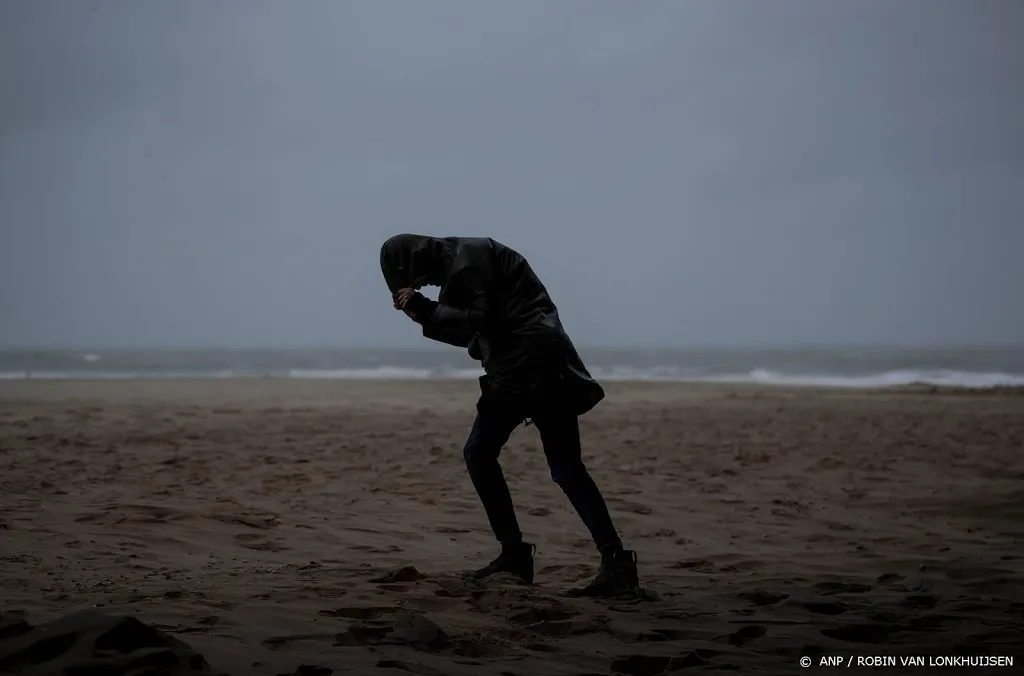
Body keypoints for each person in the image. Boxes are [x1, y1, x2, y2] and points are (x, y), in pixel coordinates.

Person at [380, 234, 639, 597]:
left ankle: (516, 554)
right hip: (539, 362)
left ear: (415, 259)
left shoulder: (469, 257)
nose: (428, 285)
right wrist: (421, 313)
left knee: (480, 452)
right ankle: (616, 562)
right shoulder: (465, 266)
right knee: (566, 467)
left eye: (420, 280)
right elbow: (473, 332)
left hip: (526, 365)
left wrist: (426, 307)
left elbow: (487, 321)